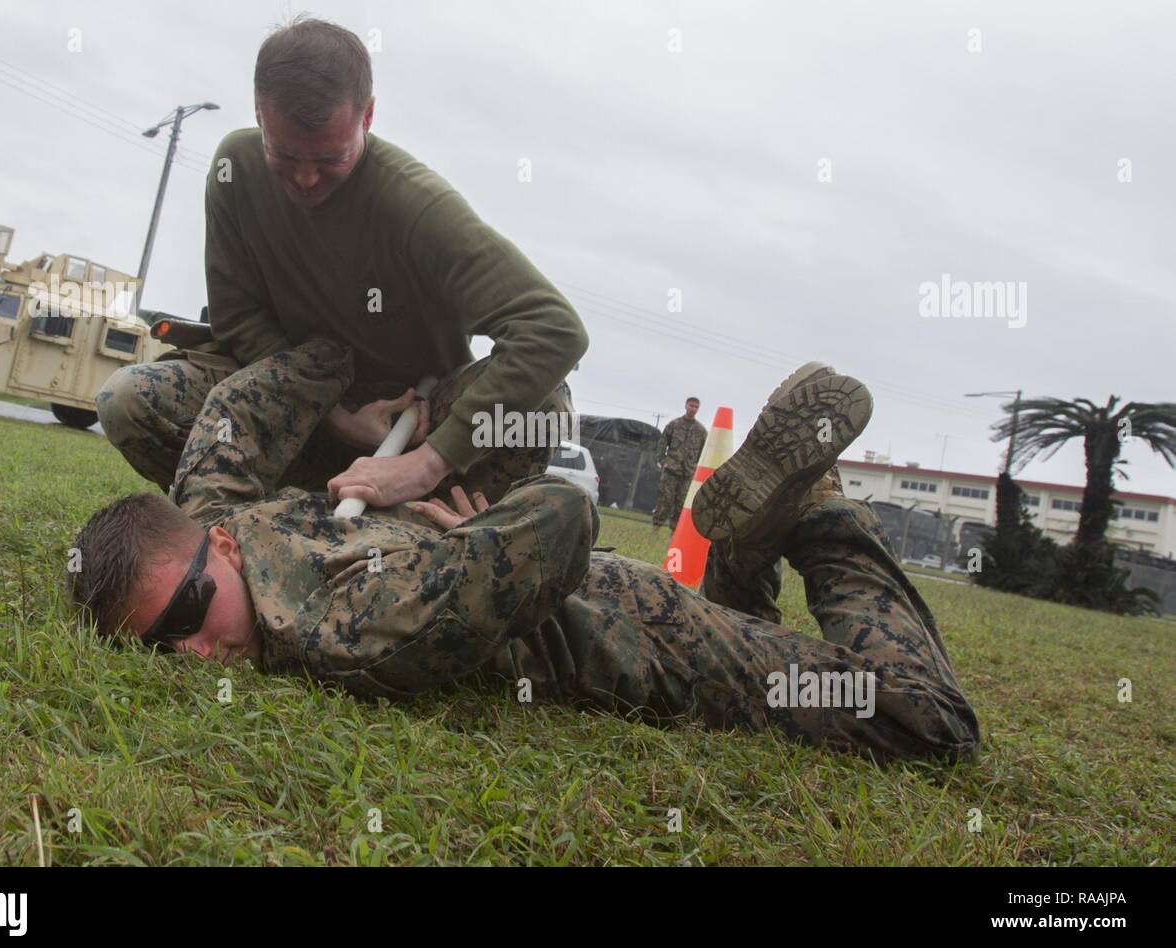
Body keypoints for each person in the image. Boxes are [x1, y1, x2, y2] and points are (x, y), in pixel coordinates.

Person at [70, 344, 979, 762]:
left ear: (214, 547)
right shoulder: (218, 516)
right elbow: (239, 409)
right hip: (609, 602)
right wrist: (338, 357)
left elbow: (562, 515)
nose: (190, 653)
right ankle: (756, 541)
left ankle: (819, 517)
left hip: (639, 637)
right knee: (757, 638)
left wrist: (451, 519)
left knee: (929, 724)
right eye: (160, 645)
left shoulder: (339, 629)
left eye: (187, 612)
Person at [96, 15, 586, 507]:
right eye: (285, 157)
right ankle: (245, 525)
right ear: (259, 114)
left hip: (410, 429)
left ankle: (415, 534)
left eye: (330, 160)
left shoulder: (415, 206)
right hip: (293, 408)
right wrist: (332, 414)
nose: (306, 179)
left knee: (543, 405)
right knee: (128, 401)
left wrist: (427, 462)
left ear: (367, 117)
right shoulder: (234, 171)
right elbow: (238, 317)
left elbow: (553, 329)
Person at [652, 397, 707, 528]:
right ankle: (657, 526)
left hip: (688, 472)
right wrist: (663, 460)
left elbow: (704, 450)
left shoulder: (701, 430)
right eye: (691, 405)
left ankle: (675, 529)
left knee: (682, 502)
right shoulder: (674, 425)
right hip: (671, 469)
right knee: (664, 499)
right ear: (686, 406)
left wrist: (696, 467)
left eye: (695, 406)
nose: (693, 408)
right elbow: (662, 443)